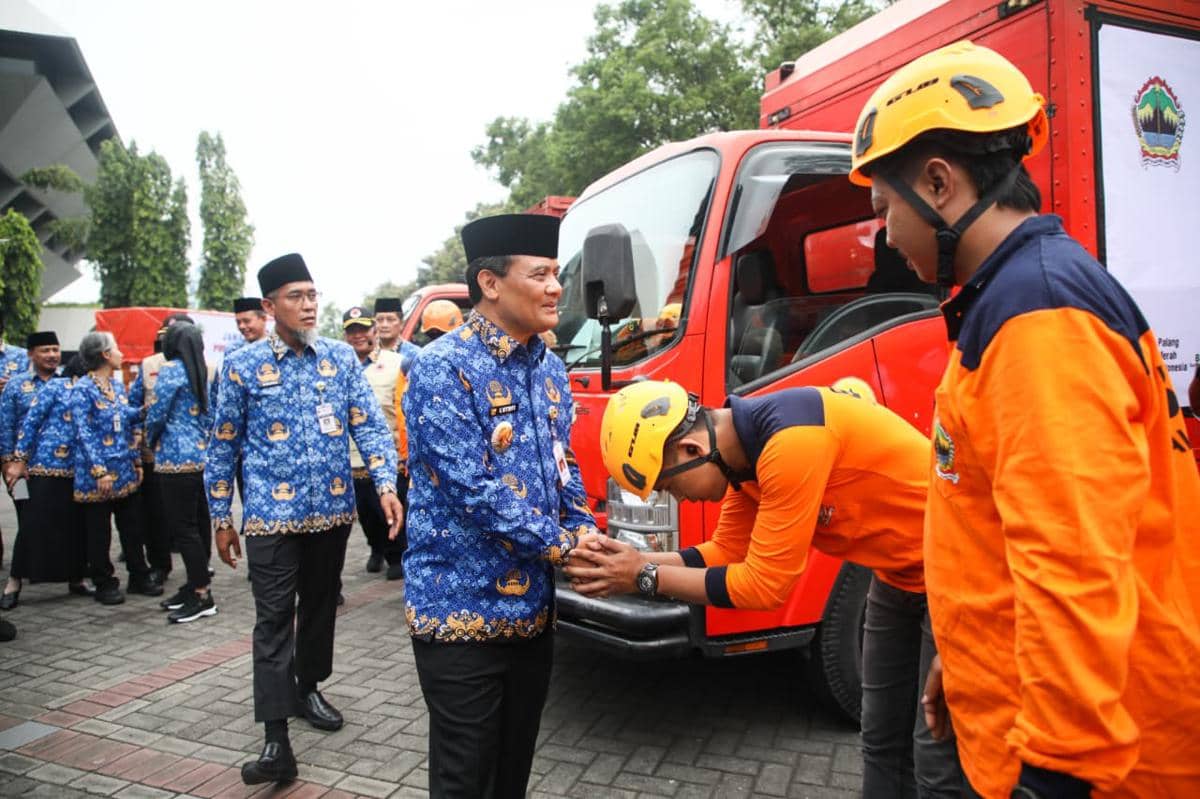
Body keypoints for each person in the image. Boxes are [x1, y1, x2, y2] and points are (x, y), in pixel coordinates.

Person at [850, 41, 1200, 797]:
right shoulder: (1012, 295)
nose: (883, 236)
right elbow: (1007, 524)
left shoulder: (1036, 315)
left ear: (939, 183)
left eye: (884, 209)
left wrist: (1055, 774)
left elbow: (1071, 569)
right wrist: (969, 659)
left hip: (1095, 765)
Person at [567, 379, 964, 797]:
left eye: (669, 486)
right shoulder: (744, 458)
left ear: (692, 450)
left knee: (936, 758)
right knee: (881, 739)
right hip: (895, 577)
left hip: (954, 576)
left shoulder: (791, 442)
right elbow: (726, 553)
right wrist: (627, 564)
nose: (679, 500)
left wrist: (643, 577)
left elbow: (764, 586)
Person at [403, 212, 596, 798]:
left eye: (556, 274)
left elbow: (565, 463)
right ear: (491, 283)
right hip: (459, 612)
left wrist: (584, 526)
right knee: (466, 777)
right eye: (540, 274)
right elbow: (472, 490)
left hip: (533, 612)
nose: (556, 287)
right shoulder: (442, 367)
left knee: (512, 772)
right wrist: (566, 546)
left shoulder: (551, 368)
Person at [204, 253, 402, 785]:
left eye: (313, 294)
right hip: (270, 518)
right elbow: (221, 447)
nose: (309, 304)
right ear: (270, 306)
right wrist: (221, 516)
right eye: (296, 296)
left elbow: (371, 428)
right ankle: (275, 740)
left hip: (332, 515)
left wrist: (385, 484)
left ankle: (308, 685)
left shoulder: (340, 359)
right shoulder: (243, 367)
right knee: (272, 621)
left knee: (318, 610)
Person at [1, 334, 89, 607]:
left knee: (72, 525)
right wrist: (9, 462)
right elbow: (6, 426)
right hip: (29, 471)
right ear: (31, 354)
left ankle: (75, 578)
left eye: (55, 349)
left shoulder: (70, 381)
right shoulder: (17, 386)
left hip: (70, 469)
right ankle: (14, 584)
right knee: (29, 524)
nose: (52, 354)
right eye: (45, 350)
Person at [71, 332, 159, 605]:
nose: (121, 354)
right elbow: (82, 433)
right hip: (98, 476)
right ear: (105, 355)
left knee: (132, 528)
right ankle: (104, 582)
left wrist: (143, 412)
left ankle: (139, 575)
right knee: (99, 533)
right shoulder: (82, 390)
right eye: (117, 349)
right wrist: (99, 471)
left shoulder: (117, 386)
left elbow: (123, 419)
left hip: (125, 470)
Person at [145, 323, 215, 624]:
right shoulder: (203, 369)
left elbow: (157, 412)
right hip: (200, 457)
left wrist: (149, 439)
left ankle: (202, 595)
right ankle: (193, 586)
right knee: (196, 526)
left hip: (174, 459)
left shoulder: (172, 370)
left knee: (182, 528)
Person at [340, 306, 407, 579]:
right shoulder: (337, 365)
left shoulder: (395, 362)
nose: (358, 335)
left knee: (388, 511)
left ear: (374, 330)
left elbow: (403, 410)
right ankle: (375, 548)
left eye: (363, 329)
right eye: (351, 331)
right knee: (366, 516)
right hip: (351, 459)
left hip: (386, 455)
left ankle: (396, 556)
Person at [129, 313, 194, 582]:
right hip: (157, 454)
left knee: (188, 521)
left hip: (177, 454)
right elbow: (136, 402)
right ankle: (162, 565)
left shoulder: (201, 366)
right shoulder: (149, 365)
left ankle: (198, 580)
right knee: (156, 513)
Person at [373, 297, 421, 373]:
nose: (384, 325)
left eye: (390, 319)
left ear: (401, 324)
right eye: (379, 320)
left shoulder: (415, 354)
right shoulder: (367, 352)